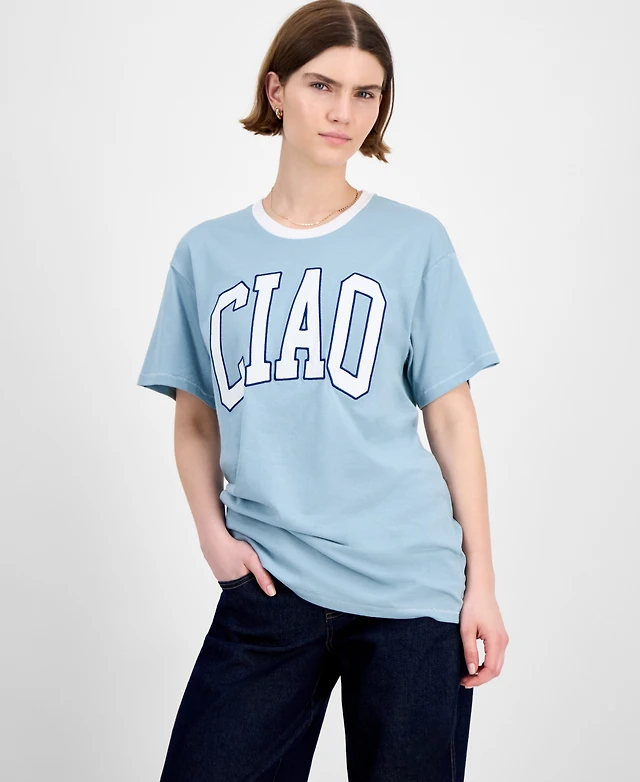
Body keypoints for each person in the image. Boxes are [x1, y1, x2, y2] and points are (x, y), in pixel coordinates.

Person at [136, 1, 509, 779]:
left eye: (366, 93)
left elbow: (450, 417)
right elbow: (196, 418)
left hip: (410, 589)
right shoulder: (207, 253)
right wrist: (213, 539)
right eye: (321, 85)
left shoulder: (414, 241)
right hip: (269, 584)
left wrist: (482, 585)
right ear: (276, 91)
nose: (344, 112)